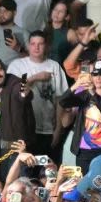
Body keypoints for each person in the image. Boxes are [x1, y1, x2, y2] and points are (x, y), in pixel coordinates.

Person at [8, 31, 69, 159]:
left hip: (48, 128)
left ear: (46, 46)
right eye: (33, 44)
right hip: (24, 130)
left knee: (47, 170)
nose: (36, 47)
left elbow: (61, 100)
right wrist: (35, 78)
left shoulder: (54, 66)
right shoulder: (17, 65)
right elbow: (13, 93)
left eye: (40, 44)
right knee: (26, 173)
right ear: (28, 46)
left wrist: (58, 129)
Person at [60, 57, 101, 169]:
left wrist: (93, 93)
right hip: (84, 149)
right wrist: (76, 85)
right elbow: (63, 102)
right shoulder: (84, 92)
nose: (98, 78)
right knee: (85, 183)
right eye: (95, 74)